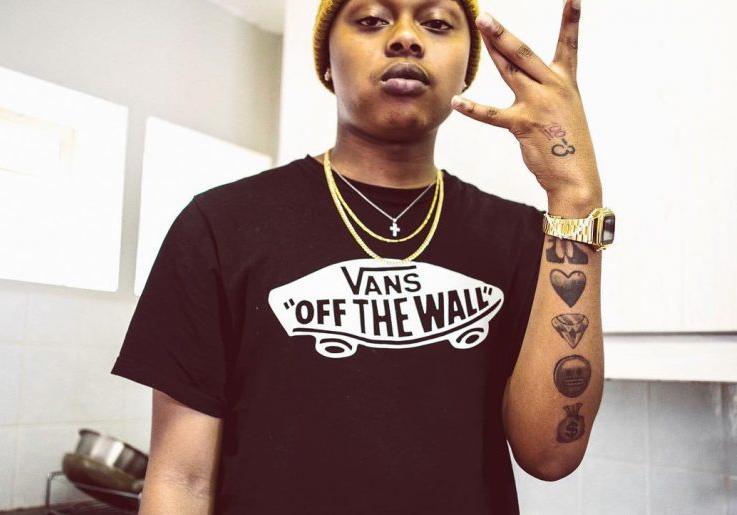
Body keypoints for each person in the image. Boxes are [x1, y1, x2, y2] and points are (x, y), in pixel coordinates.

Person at [111, 0, 613, 513]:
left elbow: (551, 454)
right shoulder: (218, 227)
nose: (406, 38)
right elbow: (181, 481)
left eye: (436, 23)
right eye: (371, 19)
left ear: (467, 69)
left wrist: (574, 196)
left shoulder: (529, 239)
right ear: (326, 62)